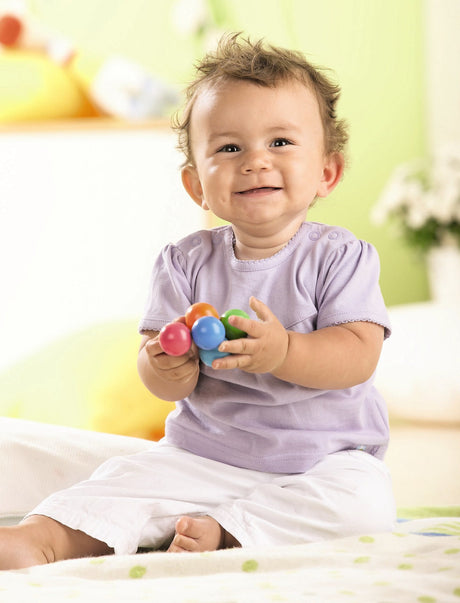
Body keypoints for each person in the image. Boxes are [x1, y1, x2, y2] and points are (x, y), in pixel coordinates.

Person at [0, 33, 396, 569]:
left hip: (321, 462)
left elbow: (358, 355)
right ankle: (42, 540)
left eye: (280, 141)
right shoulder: (183, 262)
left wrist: (284, 352)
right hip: (203, 456)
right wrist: (166, 363)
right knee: (123, 480)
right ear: (196, 186)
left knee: (366, 505)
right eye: (230, 148)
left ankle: (230, 530)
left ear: (327, 171)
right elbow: (165, 380)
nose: (256, 161)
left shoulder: (341, 256)